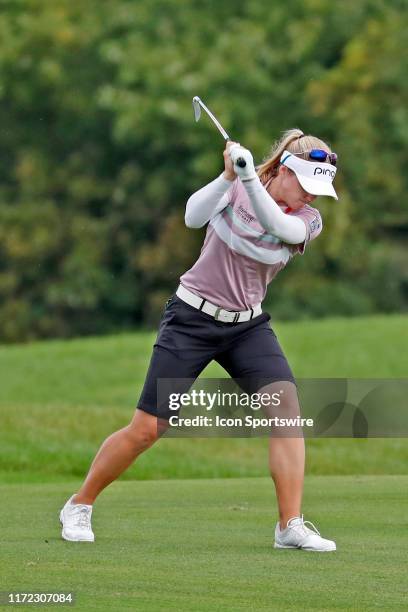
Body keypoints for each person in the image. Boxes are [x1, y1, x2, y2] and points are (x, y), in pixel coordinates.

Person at [60, 128, 338, 552]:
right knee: (147, 430)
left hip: (247, 326)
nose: (313, 197)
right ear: (284, 170)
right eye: (308, 185)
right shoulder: (237, 188)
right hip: (191, 318)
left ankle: (290, 525)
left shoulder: (306, 220)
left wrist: (246, 178)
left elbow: (276, 223)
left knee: (286, 415)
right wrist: (229, 176)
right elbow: (193, 216)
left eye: (320, 191)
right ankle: (79, 504)